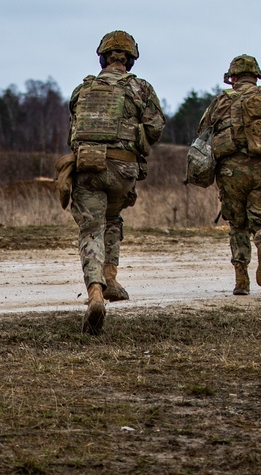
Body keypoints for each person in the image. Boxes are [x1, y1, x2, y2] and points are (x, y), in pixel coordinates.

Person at [67, 30, 164, 334]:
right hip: (123, 169)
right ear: (131, 60)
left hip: (88, 165)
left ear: (102, 57)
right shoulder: (141, 88)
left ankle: (95, 293)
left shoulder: (83, 88)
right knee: (113, 219)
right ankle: (111, 279)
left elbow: (74, 125)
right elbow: (156, 126)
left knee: (90, 228)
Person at [196, 54, 261, 295]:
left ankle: (241, 281)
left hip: (232, 170)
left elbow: (203, 134)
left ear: (232, 78)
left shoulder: (221, 101)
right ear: (257, 76)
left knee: (238, 225)